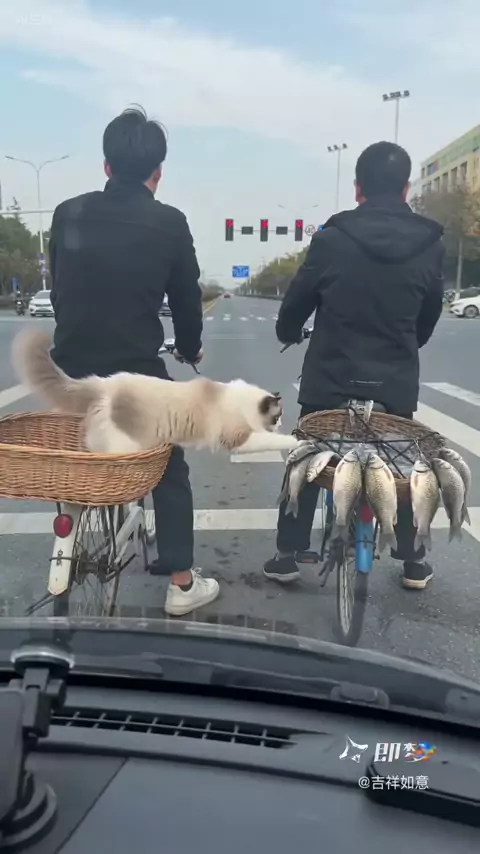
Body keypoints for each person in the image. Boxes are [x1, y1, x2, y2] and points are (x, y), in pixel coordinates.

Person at [48, 106, 220, 616]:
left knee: (77, 453)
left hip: (69, 371)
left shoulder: (67, 213)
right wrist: (189, 346)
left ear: (106, 166)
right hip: (134, 376)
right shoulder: (169, 222)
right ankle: (182, 584)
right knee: (169, 465)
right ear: (157, 172)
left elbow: (59, 291)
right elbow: (187, 302)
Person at [264, 141, 445, 591]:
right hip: (394, 380)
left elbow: (297, 302)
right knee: (403, 461)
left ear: (358, 188)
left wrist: (288, 331)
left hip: (331, 377)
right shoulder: (430, 242)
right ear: (406, 189)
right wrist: (409, 344)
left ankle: (287, 553)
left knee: (308, 453)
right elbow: (429, 313)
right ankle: (413, 560)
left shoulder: (332, 237)